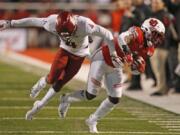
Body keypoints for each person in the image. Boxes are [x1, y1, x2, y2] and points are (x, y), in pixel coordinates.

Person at [0, 11, 115, 120]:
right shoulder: (51, 22)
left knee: (60, 82)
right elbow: (33, 21)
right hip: (64, 50)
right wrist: (10, 23)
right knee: (52, 78)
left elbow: (107, 34)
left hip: (80, 54)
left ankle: (40, 105)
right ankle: (42, 82)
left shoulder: (85, 24)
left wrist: (112, 53)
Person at [58, 18, 165, 133]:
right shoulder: (137, 32)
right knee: (90, 95)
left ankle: (92, 120)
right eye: (155, 34)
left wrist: (136, 68)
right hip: (103, 58)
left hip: (116, 66)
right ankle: (66, 99)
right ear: (147, 29)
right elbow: (121, 38)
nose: (156, 38)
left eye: (159, 35)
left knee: (114, 98)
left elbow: (133, 64)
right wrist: (127, 54)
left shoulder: (149, 49)